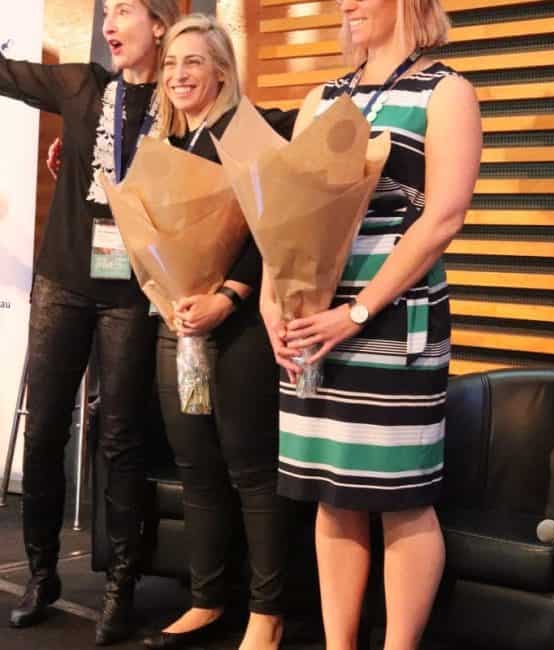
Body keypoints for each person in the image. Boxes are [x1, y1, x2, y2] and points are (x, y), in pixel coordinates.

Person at [0, 0, 181, 644]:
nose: (110, 24)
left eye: (125, 11)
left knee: (122, 438)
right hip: (63, 280)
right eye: (107, 13)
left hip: (133, 292)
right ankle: (41, 573)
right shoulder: (82, 86)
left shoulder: (182, 99)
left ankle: (121, 586)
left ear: (160, 24)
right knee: (45, 428)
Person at [264, 0, 481, 648]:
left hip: (393, 323)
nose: (347, 4)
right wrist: (273, 300)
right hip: (316, 322)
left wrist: (358, 312)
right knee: (334, 492)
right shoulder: (321, 98)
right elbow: (287, 215)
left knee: (401, 496)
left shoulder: (446, 92)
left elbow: (442, 218)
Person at [141, 14, 293, 650]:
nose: (178, 75)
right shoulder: (163, 145)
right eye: (171, 64)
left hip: (242, 330)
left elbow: (275, 229)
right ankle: (206, 600)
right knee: (196, 466)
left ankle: (268, 613)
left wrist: (228, 296)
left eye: (194, 62)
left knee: (251, 470)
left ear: (223, 72)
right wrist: (169, 293)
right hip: (178, 327)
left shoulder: (252, 135)